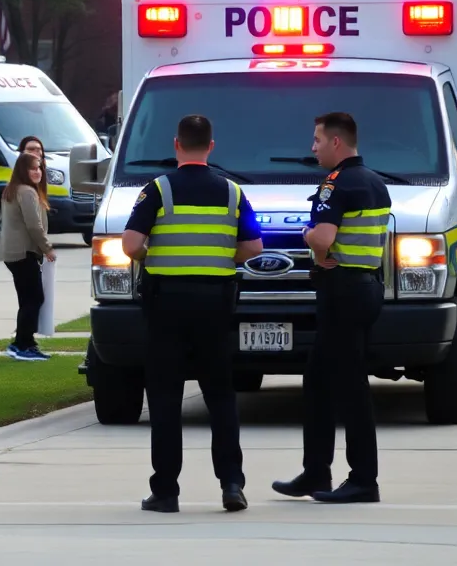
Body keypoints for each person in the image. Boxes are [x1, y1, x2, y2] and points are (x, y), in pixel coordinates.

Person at [122, 114, 263, 515]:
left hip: (167, 305)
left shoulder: (158, 190)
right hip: (214, 304)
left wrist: (153, 256)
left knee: (166, 397)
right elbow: (253, 247)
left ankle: (166, 491)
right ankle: (232, 484)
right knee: (221, 396)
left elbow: (130, 244)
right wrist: (220, 259)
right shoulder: (233, 192)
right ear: (211, 146)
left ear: (176, 144)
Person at [273, 112, 390, 505]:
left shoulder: (335, 184)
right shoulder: (375, 182)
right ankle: (315, 471)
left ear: (336, 142)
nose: (313, 148)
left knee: (350, 386)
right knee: (319, 381)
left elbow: (323, 238)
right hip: (365, 288)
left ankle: (363, 480)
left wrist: (308, 235)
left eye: (317, 140)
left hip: (343, 293)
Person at [0, 152, 56, 362]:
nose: (38, 172)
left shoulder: (13, 190)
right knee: (34, 298)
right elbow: (33, 225)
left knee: (27, 299)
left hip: (12, 253)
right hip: (23, 253)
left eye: (39, 168)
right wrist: (47, 248)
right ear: (23, 170)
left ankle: (25, 342)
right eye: (33, 168)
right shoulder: (27, 192)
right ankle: (22, 344)